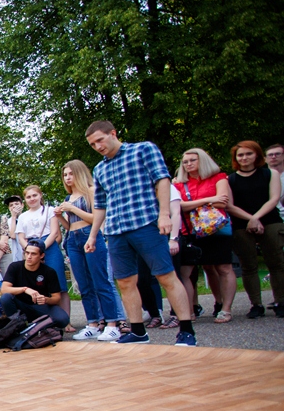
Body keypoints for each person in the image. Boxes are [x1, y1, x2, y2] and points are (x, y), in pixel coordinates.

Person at [83, 120, 196, 345]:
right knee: (125, 282)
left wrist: (164, 214)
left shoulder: (143, 149)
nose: (97, 147)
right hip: (116, 230)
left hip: (145, 223)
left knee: (166, 276)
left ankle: (186, 330)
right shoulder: (99, 169)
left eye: (100, 140)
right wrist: (93, 235)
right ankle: (137, 331)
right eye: (93, 145)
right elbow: (100, 205)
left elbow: (162, 180)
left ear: (113, 133)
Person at [57, 161, 123, 341]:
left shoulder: (92, 191)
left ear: (79, 174)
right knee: (84, 285)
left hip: (91, 235)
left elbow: (96, 218)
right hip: (73, 238)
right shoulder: (67, 198)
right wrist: (59, 217)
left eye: (71, 174)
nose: (68, 178)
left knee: (101, 281)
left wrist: (72, 208)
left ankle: (112, 324)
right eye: (65, 175)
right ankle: (92, 323)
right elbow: (69, 225)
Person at [171, 149, 237, 323]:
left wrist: (193, 203)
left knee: (223, 268)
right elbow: (179, 206)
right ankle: (189, 310)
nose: (188, 164)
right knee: (187, 271)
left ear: (204, 161)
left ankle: (225, 308)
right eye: (185, 162)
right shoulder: (178, 184)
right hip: (190, 231)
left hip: (216, 229)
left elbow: (223, 200)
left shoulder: (218, 177)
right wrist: (208, 200)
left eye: (193, 160)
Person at [225, 141, 284, 318]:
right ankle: (256, 305)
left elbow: (274, 199)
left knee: (277, 263)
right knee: (248, 265)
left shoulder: (270, 174)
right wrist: (250, 219)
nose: (244, 158)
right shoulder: (229, 179)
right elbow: (229, 205)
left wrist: (256, 217)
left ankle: (281, 301)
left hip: (270, 221)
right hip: (242, 224)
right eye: (240, 155)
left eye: (248, 154)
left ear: (257, 155)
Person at [15, 185, 72, 332]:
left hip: (49, 246)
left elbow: (54, 232)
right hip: (30, 246)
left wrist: (41, 249)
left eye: (34, 195)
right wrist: (30, 251)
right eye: (28, 197)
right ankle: (45, 321)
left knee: (59, 285)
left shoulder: (50, 211)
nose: (32, 199)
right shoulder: (22, 216)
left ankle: (66, 320)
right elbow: (20, 236)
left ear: (40, 196)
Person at [0, 239, 71, 329]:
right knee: (6, 298)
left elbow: (56, 298)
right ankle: (16, 326)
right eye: (27, 253)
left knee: (63, 319)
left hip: (40, 306)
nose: (29, 257)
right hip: (20, 306)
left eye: (33, 254)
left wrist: (46, 299)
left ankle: (38, 325)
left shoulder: (49, 272)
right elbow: (4, 289)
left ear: (42, 255)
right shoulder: (15, 267)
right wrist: (25, 289)